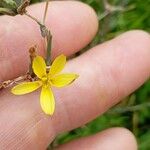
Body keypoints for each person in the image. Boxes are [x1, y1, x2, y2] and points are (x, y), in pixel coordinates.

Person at [0, 1, 150, 149]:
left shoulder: (45, 70)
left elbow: (52, 66)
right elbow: (29, 79)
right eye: (43, 78)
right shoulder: (40, 70)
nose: (44, 79)